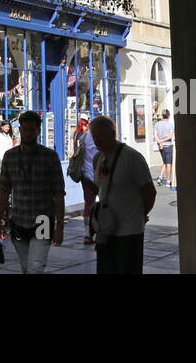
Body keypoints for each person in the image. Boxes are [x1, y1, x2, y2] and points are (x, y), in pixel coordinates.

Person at [0, 109, 65, 273]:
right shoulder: (10, 157)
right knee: (26, 266)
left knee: (35, 266)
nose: (27, 133)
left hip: (43, 220)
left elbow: (59, 193)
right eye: (24, 129)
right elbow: (4, 192)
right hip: (18, 220)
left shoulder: (50, 157)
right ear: (19, 130)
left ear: (38, 131)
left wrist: (59, 227)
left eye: (31, 130)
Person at [89, 116, 154, 273]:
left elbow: (150, 191)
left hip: (129, 230)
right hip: (106, 230)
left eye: (101, 137)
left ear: (112, 134)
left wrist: (141, 214)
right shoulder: (98, 158)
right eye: (95, 137)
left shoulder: (132, 158)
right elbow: (100, 189)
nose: (97, 141)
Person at [70, 118, 99, 244]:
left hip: (86, 175)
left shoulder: (84, 137)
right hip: (101, 176)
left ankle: (87, 233)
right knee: (105, 203)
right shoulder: (102, 138)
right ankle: (101, 231)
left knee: (88, 203)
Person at [154, 109, 175, 188]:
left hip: (161, 146)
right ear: (168, 116)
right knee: (169, 164)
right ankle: (168, 181)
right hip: (168, 146)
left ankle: (160, 177)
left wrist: (160, 142)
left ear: (162, 116)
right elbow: (170, 137)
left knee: (164, 162)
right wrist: (162, 141)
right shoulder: (170, 125)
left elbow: (155, 135)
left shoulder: (157, 124)